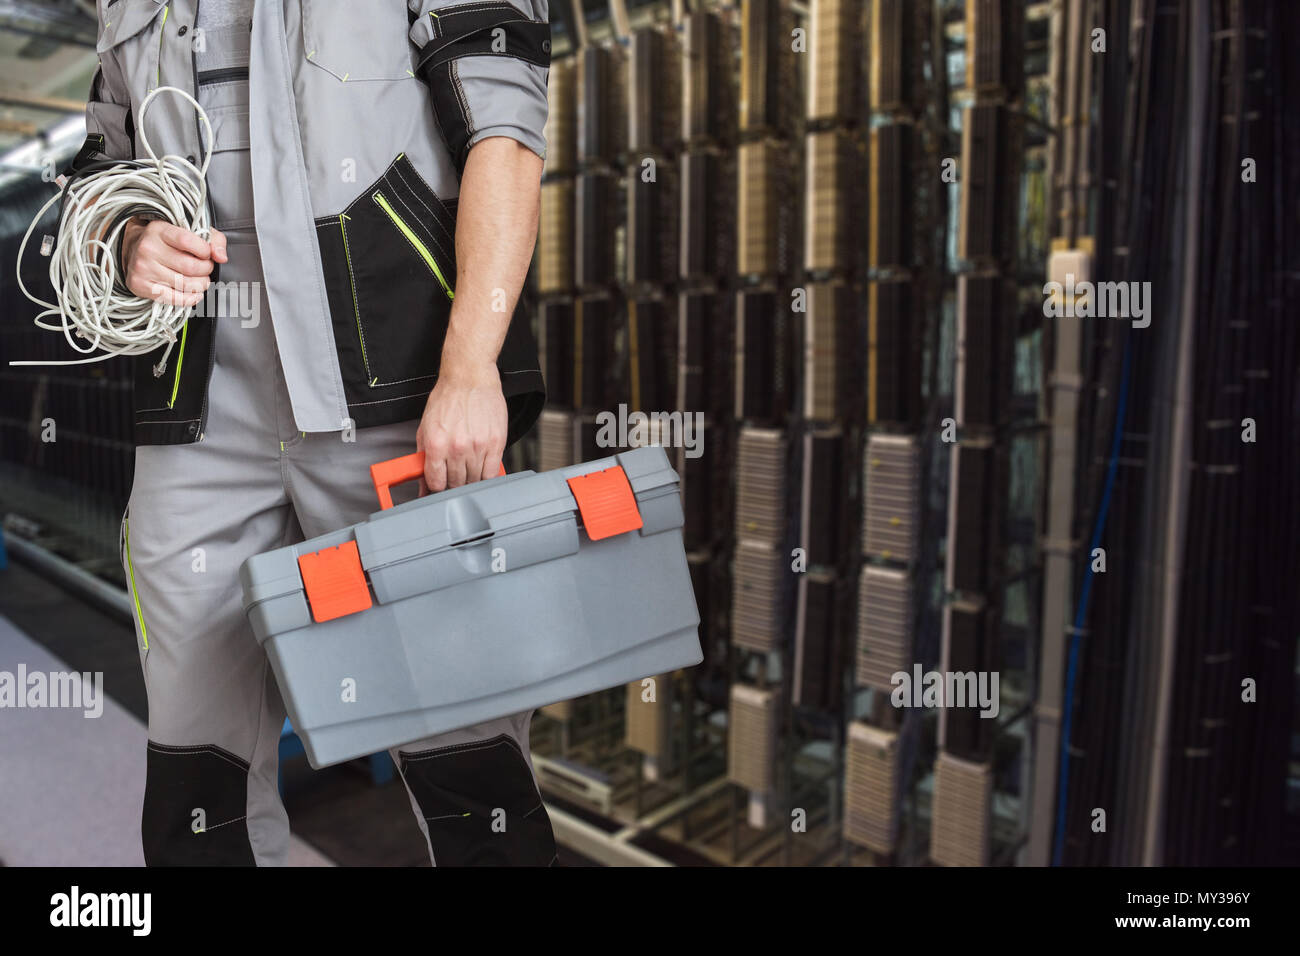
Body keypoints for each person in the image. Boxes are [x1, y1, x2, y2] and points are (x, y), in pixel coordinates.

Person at [71, 0, 555, 866]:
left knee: (469, 763)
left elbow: (505, 131)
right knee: (195, 781)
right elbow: (101, 168)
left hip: (396, 398)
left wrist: (473, 367)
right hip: (200, 413)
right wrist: (131, 238)